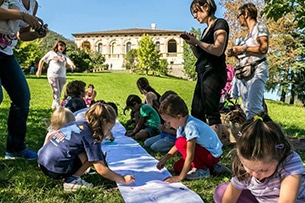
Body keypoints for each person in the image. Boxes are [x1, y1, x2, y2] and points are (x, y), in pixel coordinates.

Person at [38, 102, 135, 191]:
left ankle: (70, 173)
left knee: (91, 153)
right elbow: (101, 169)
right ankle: (72, 181)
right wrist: (123, 179)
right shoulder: (93, 137)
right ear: (104, 122)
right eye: (109, 129)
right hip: (55, 170)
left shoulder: (76, 123)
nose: (108, 133)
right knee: (92, 155)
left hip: (42, 163)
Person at [213, 113, 305, 203]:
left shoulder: (290, 163)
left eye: (264, 170)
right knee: (222, 191)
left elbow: (287, 200)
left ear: (279, 155)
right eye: (250, 169)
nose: (256, 174)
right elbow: (230, 197)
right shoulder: (243, 164)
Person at [0, 0, 48, 159]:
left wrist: (36, 34)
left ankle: (15, 149)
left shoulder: (33, 4)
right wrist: (22, 15)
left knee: (22, 98)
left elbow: (22, 34)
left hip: (7, 54)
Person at [180, 0, 229, 137]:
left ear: (206, 7)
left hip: (213, 72)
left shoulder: (220, 24)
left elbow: (218, 49)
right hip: (203, 72)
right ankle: (202, 144)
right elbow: (202, 56)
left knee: (211, 112)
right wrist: (192, 44)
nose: (195, 16)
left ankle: (215, 149)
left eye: (196, 11)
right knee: (197, 111)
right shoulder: (205, 30)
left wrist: (198, 42)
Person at [156, 95, 227, 182]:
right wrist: (165, 159)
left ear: (178, 117)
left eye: (168, 122)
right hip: (206, 154)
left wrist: (180, 177)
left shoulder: (191, 126)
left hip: (212, 156)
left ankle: (202, 169)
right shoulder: (181, 125)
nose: (167, 125)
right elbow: (177, 147)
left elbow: (190, 154)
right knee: (177, 167)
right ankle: (213, 167)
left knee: (180, 142)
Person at [226, 3, 269, 121]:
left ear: (246, 14)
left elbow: (263, 48)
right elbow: (249, 54)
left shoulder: (260, 28)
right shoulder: (247, 36)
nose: (238, 19)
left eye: (238, 15)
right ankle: (265, 132)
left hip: (257, 72)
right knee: (247, 108)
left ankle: (265, 134)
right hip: (246, 74)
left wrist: (242, 49)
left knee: (254, 109)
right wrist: (236, 53)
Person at [36, 40, 76, 109]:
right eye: (60, 45)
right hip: (53, 75)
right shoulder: (51, 53)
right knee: (56, 90)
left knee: (59, 91)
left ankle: (54, 105)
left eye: (63, 46)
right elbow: (42, 60)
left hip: (62, 76)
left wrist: (72, 65)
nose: (62, 47)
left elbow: (69, 61)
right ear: (57, 46)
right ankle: (58, 106)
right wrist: (39, 70)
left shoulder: (64, 56)